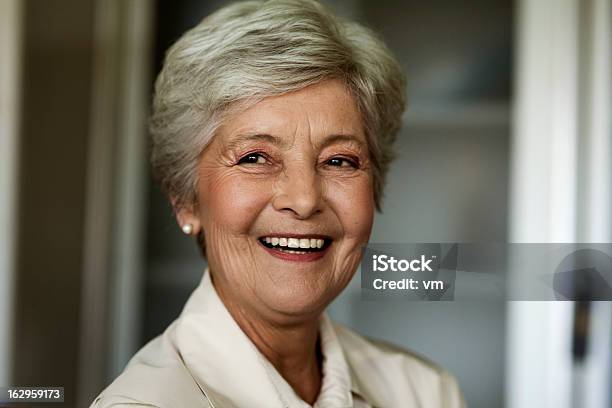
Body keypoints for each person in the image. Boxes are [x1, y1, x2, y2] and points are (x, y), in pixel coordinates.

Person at [91, 0, 465, 407]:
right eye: (254, 158)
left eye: (339, 160)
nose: (304, 200)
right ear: (186, 202)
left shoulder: (424, 392)